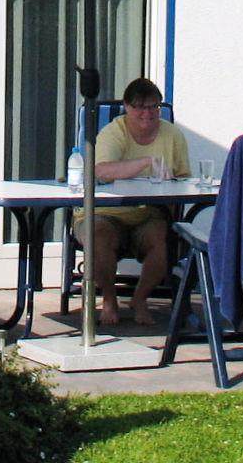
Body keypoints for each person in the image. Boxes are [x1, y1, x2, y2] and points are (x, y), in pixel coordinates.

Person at [78, 76, 189, 327]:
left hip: (148, 214)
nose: (147, 113)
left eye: (153, 107)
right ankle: (108, 299)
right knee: (98, 235)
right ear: (127, 107)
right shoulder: (114, 132)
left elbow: (184, 178)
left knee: (166, 239)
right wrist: (145, 162)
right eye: (140, 106)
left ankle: (140, 299)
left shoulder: (172, 135)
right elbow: (100, 170)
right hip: (105, 213)